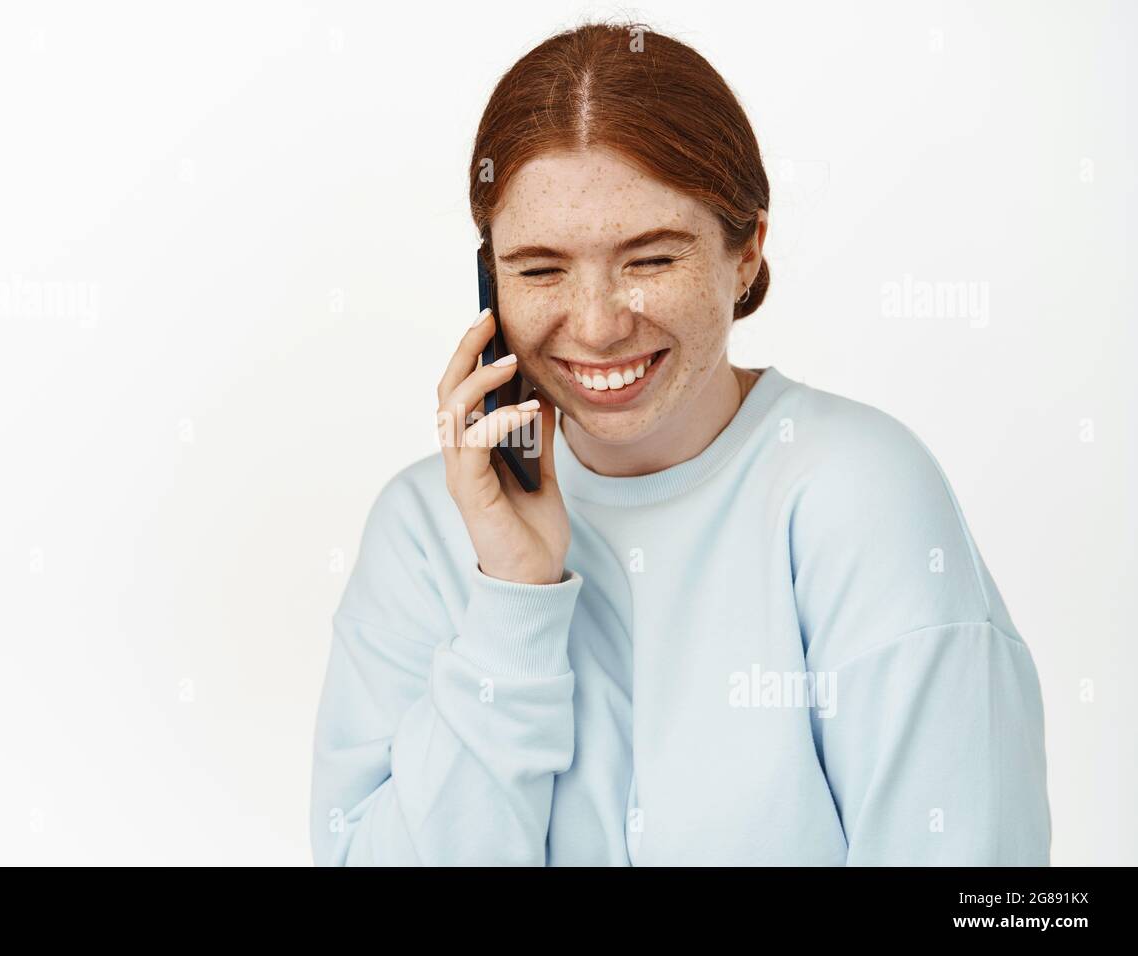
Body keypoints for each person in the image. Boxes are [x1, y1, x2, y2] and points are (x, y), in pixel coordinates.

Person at [310, 21, 1051, 865]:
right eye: (540, 269)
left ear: (746, 255)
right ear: (490, 281)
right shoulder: (421, 528)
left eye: (650, 259)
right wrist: (512, 601)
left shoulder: (862, 494)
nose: (595, 326)